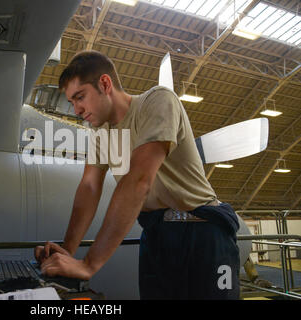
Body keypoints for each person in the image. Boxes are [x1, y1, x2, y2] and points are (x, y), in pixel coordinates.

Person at [34, 50, 240, 299]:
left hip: (204, 232)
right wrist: (68, 250)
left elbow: (139, 180)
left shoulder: (158, 101)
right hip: (157, 235)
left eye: (80, 97)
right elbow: (89, 187)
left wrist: (89, 264)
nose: (77, 109)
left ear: (105, 84)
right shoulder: (101, 134)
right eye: (72, 102)